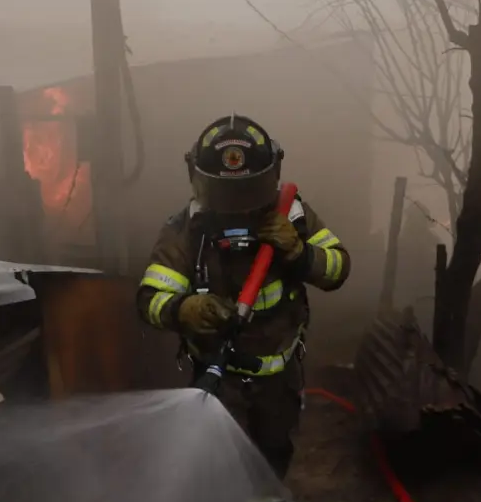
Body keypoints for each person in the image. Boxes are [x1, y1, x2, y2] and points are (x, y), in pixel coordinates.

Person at [135, 114, 351, 480]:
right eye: (224, 192)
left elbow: (338, 269)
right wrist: (182, 309)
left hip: (280, 379)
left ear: (271, 177)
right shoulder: (185, 231)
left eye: (248, 190)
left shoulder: (292, 214)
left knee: (274, 457)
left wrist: (299, 252)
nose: (236, 203)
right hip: (219, 377)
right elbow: (149, 299)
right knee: (219, 466)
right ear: (199, 182)